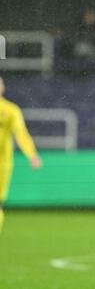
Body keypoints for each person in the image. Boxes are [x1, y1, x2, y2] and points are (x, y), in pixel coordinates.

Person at [0, 77, 42, 233]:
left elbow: (21, 134)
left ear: (3, 88)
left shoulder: (11, 110)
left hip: (2, 164)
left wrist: (32, 155)